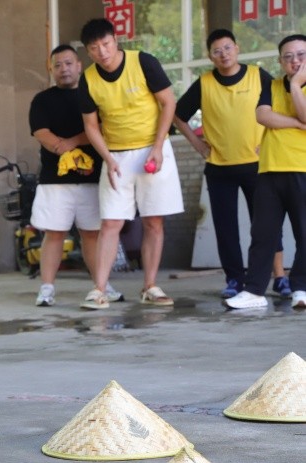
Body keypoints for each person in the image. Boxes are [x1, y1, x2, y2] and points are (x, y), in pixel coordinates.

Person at [174, 29, 290, 300]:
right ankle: (235, 280)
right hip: (219, 168)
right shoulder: (204, 83)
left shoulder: (258, 76)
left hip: (259, 166)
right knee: (226, 229)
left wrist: (271, 141)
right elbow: (178, 116)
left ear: (237, 49)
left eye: (227, 48)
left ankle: (279, 277)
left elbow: (279, 107)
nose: (223, 54)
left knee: (267, 226)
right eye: (217, 51)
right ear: (210, 56)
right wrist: (197, 144)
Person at [78, 18, 184, 310]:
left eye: (106, 44)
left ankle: (150, 286)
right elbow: (91, 125)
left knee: (153, 220)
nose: (102, 52)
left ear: (116, 40)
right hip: (116, 155)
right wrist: (108, 158)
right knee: (111, 222)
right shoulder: (88, 79)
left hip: (153, 150)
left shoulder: (143, 62)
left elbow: (168, 103)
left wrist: (158, 147)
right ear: (88, 51)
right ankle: (99, 290)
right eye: (94, 48)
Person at [29, 44, 122, 307]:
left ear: (79, 65)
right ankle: (47, 289)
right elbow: (41, 133)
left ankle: (101, 285)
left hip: (92, 179)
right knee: (54, 234)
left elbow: (99, 128)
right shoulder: (42, 100)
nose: (64, 69)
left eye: (69, 63)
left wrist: (70, 143)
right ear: (50, 69)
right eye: (57, 65)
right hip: (54, 181)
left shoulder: (92, 93)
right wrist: (63, 147)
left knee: (92, 234)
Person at [225, 34, 306, 310]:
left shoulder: (292, 85)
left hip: (302, 167)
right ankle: (254, 291)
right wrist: (296, 124)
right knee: (263, 234)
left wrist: (295, 86)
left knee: (304, 233)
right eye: (288, 57)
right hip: (270, 169)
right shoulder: (271, 85)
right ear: (281, 61)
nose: (295, 61)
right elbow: (262, 115)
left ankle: (301, 288)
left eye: (301, 55)